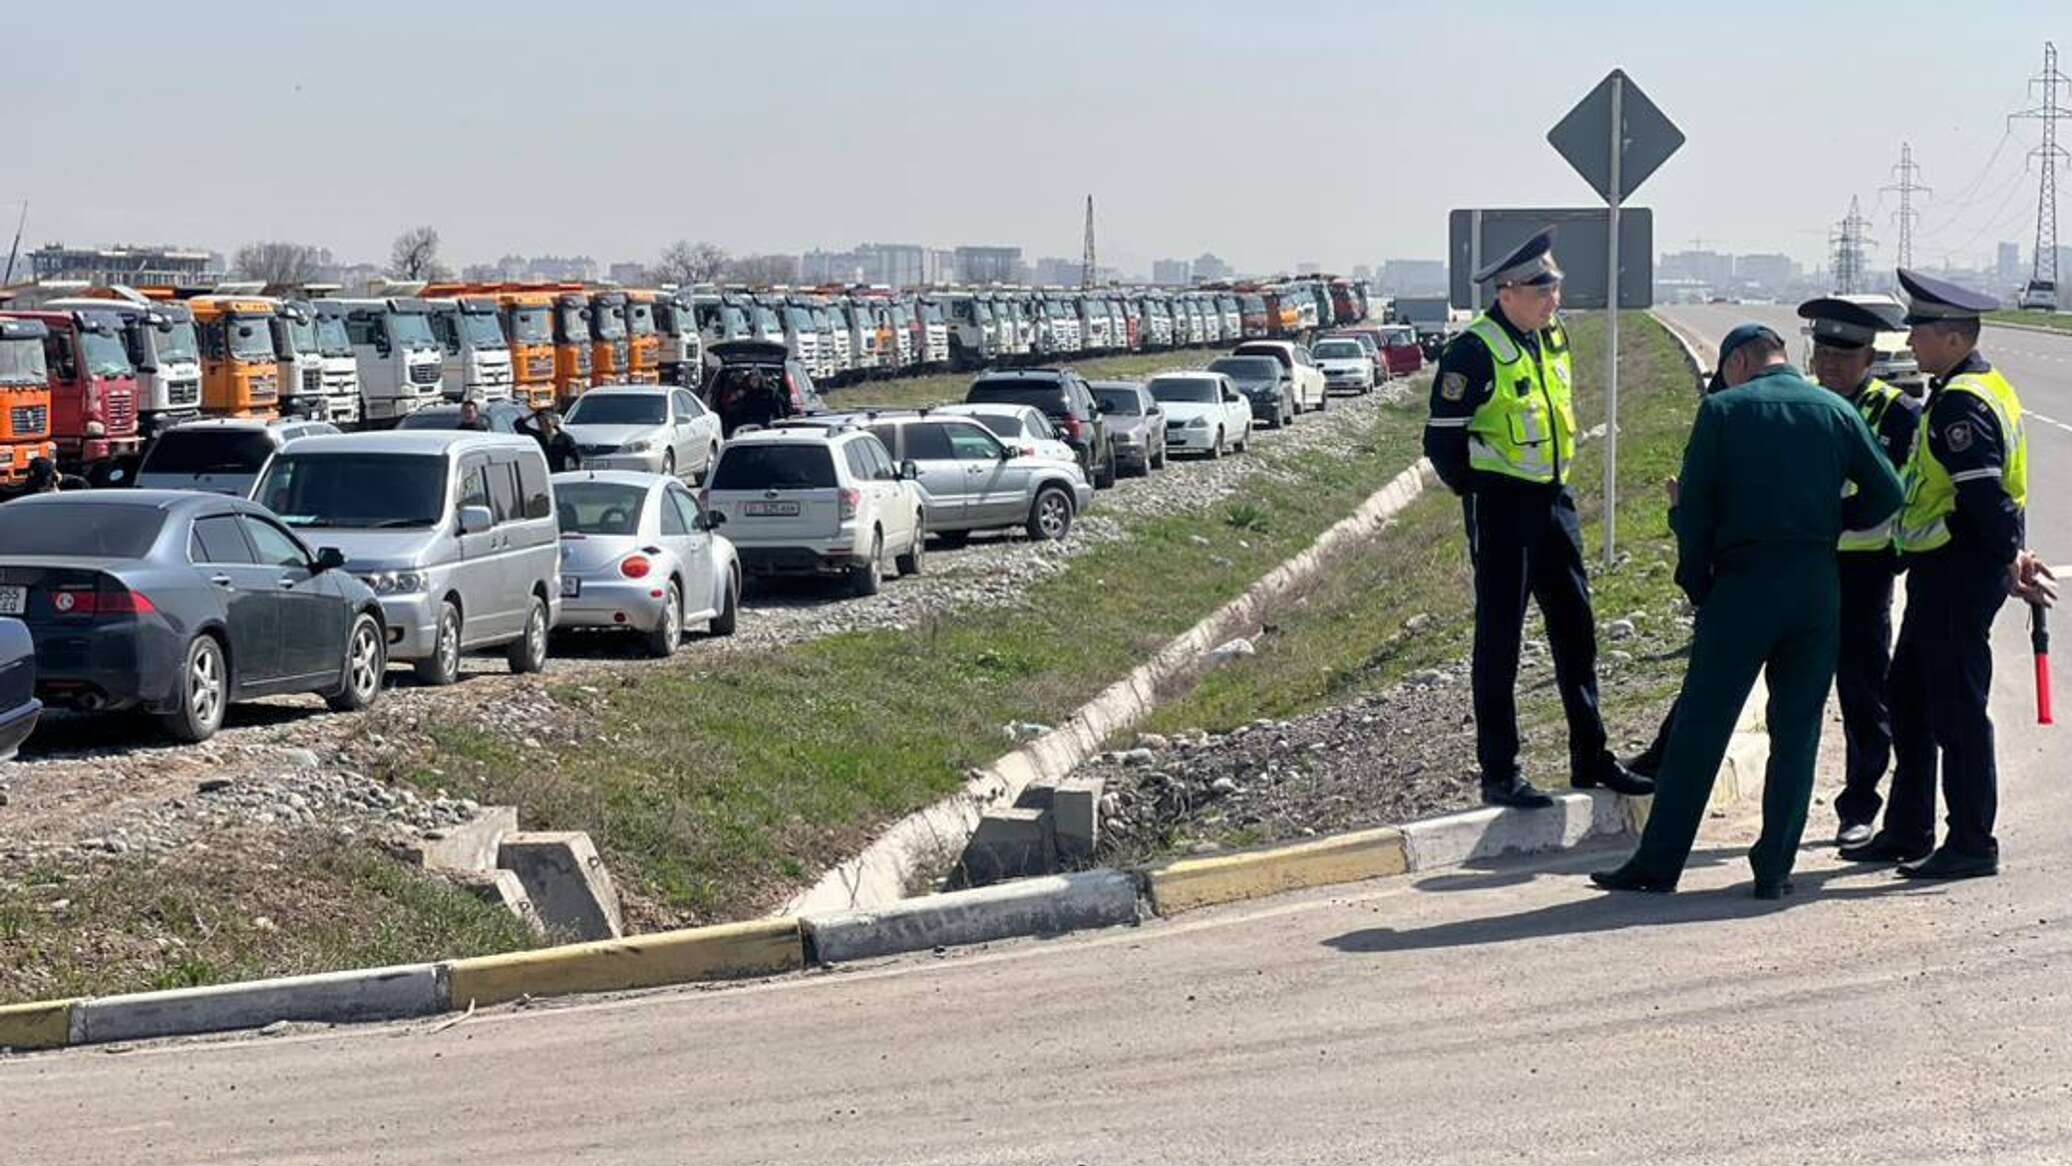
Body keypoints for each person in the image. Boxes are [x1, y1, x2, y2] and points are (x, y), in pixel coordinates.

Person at [1593, 323, 1903, 898]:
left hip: (1742, 586)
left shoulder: (1724, 412)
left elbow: (1694, 513)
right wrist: (1833, 525)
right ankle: (1774, 869)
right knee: (1799, 729)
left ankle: (1659, 864)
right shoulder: (1835, 410)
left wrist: (1696, 580)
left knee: (1700, 728)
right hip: (1816, 586)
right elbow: (1888, 492)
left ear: (1736, 362)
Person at [1422, 228, 1653, 809]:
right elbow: (1442, 441)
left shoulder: (1553, 337)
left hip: (1554, 500)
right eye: (1542, 286)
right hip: (1501, 506)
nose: (1554, 296)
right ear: (1507, 292)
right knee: (1499, 638)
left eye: (1556, 284)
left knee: (1576, 626)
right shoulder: (1472, 351)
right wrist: (1478, 491)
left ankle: (1590, 756)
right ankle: (1501, 770)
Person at [1840, 269, 2055, 879]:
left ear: (1954, 338)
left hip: (1958, 577)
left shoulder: (1963, 401)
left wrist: (2005, 559)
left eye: (1919, 331)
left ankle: (1971, 842)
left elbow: (1987, 499)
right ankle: (1908, 830)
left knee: (1957, 710)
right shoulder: (1968, 385)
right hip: (1941, 574)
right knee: (1908, 700)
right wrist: (2009, 553)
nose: (1909, 343)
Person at [1787, 297, 1923, 849]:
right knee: (1792, 687)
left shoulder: (1897, 412)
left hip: (1865, 571)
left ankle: (1859, 805)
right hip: (1803, 565)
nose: (1832, 363)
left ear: (1870, 356)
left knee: (1863, 692)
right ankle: (1785, 807)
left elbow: (1896, 490)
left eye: (1846, 354)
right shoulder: (1801, 404)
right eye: (1823, 351)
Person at [525, 408, 582, 473]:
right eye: (541, 422)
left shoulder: (565, 438)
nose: (544, 424)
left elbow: (577, 456)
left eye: (546, 421)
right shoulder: (537, 436)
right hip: (542, 473)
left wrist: (578, 471)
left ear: (553, 421)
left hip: (559, 473)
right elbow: (518, 424)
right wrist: (534, 414)